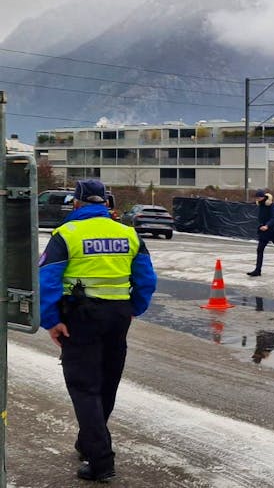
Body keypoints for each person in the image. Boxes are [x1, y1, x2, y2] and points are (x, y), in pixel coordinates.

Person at [38, 179, 157, 482]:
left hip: (81, 317)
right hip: (118, 316)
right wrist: (133, 309)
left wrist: (51, 321)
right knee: (106, 382)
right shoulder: (127, 233)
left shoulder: (67, 234)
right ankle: (88, 441)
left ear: (76, 203)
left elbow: (47, 280)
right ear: (105, 203)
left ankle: (101, 461)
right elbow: (146, 279)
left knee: (84, 386)